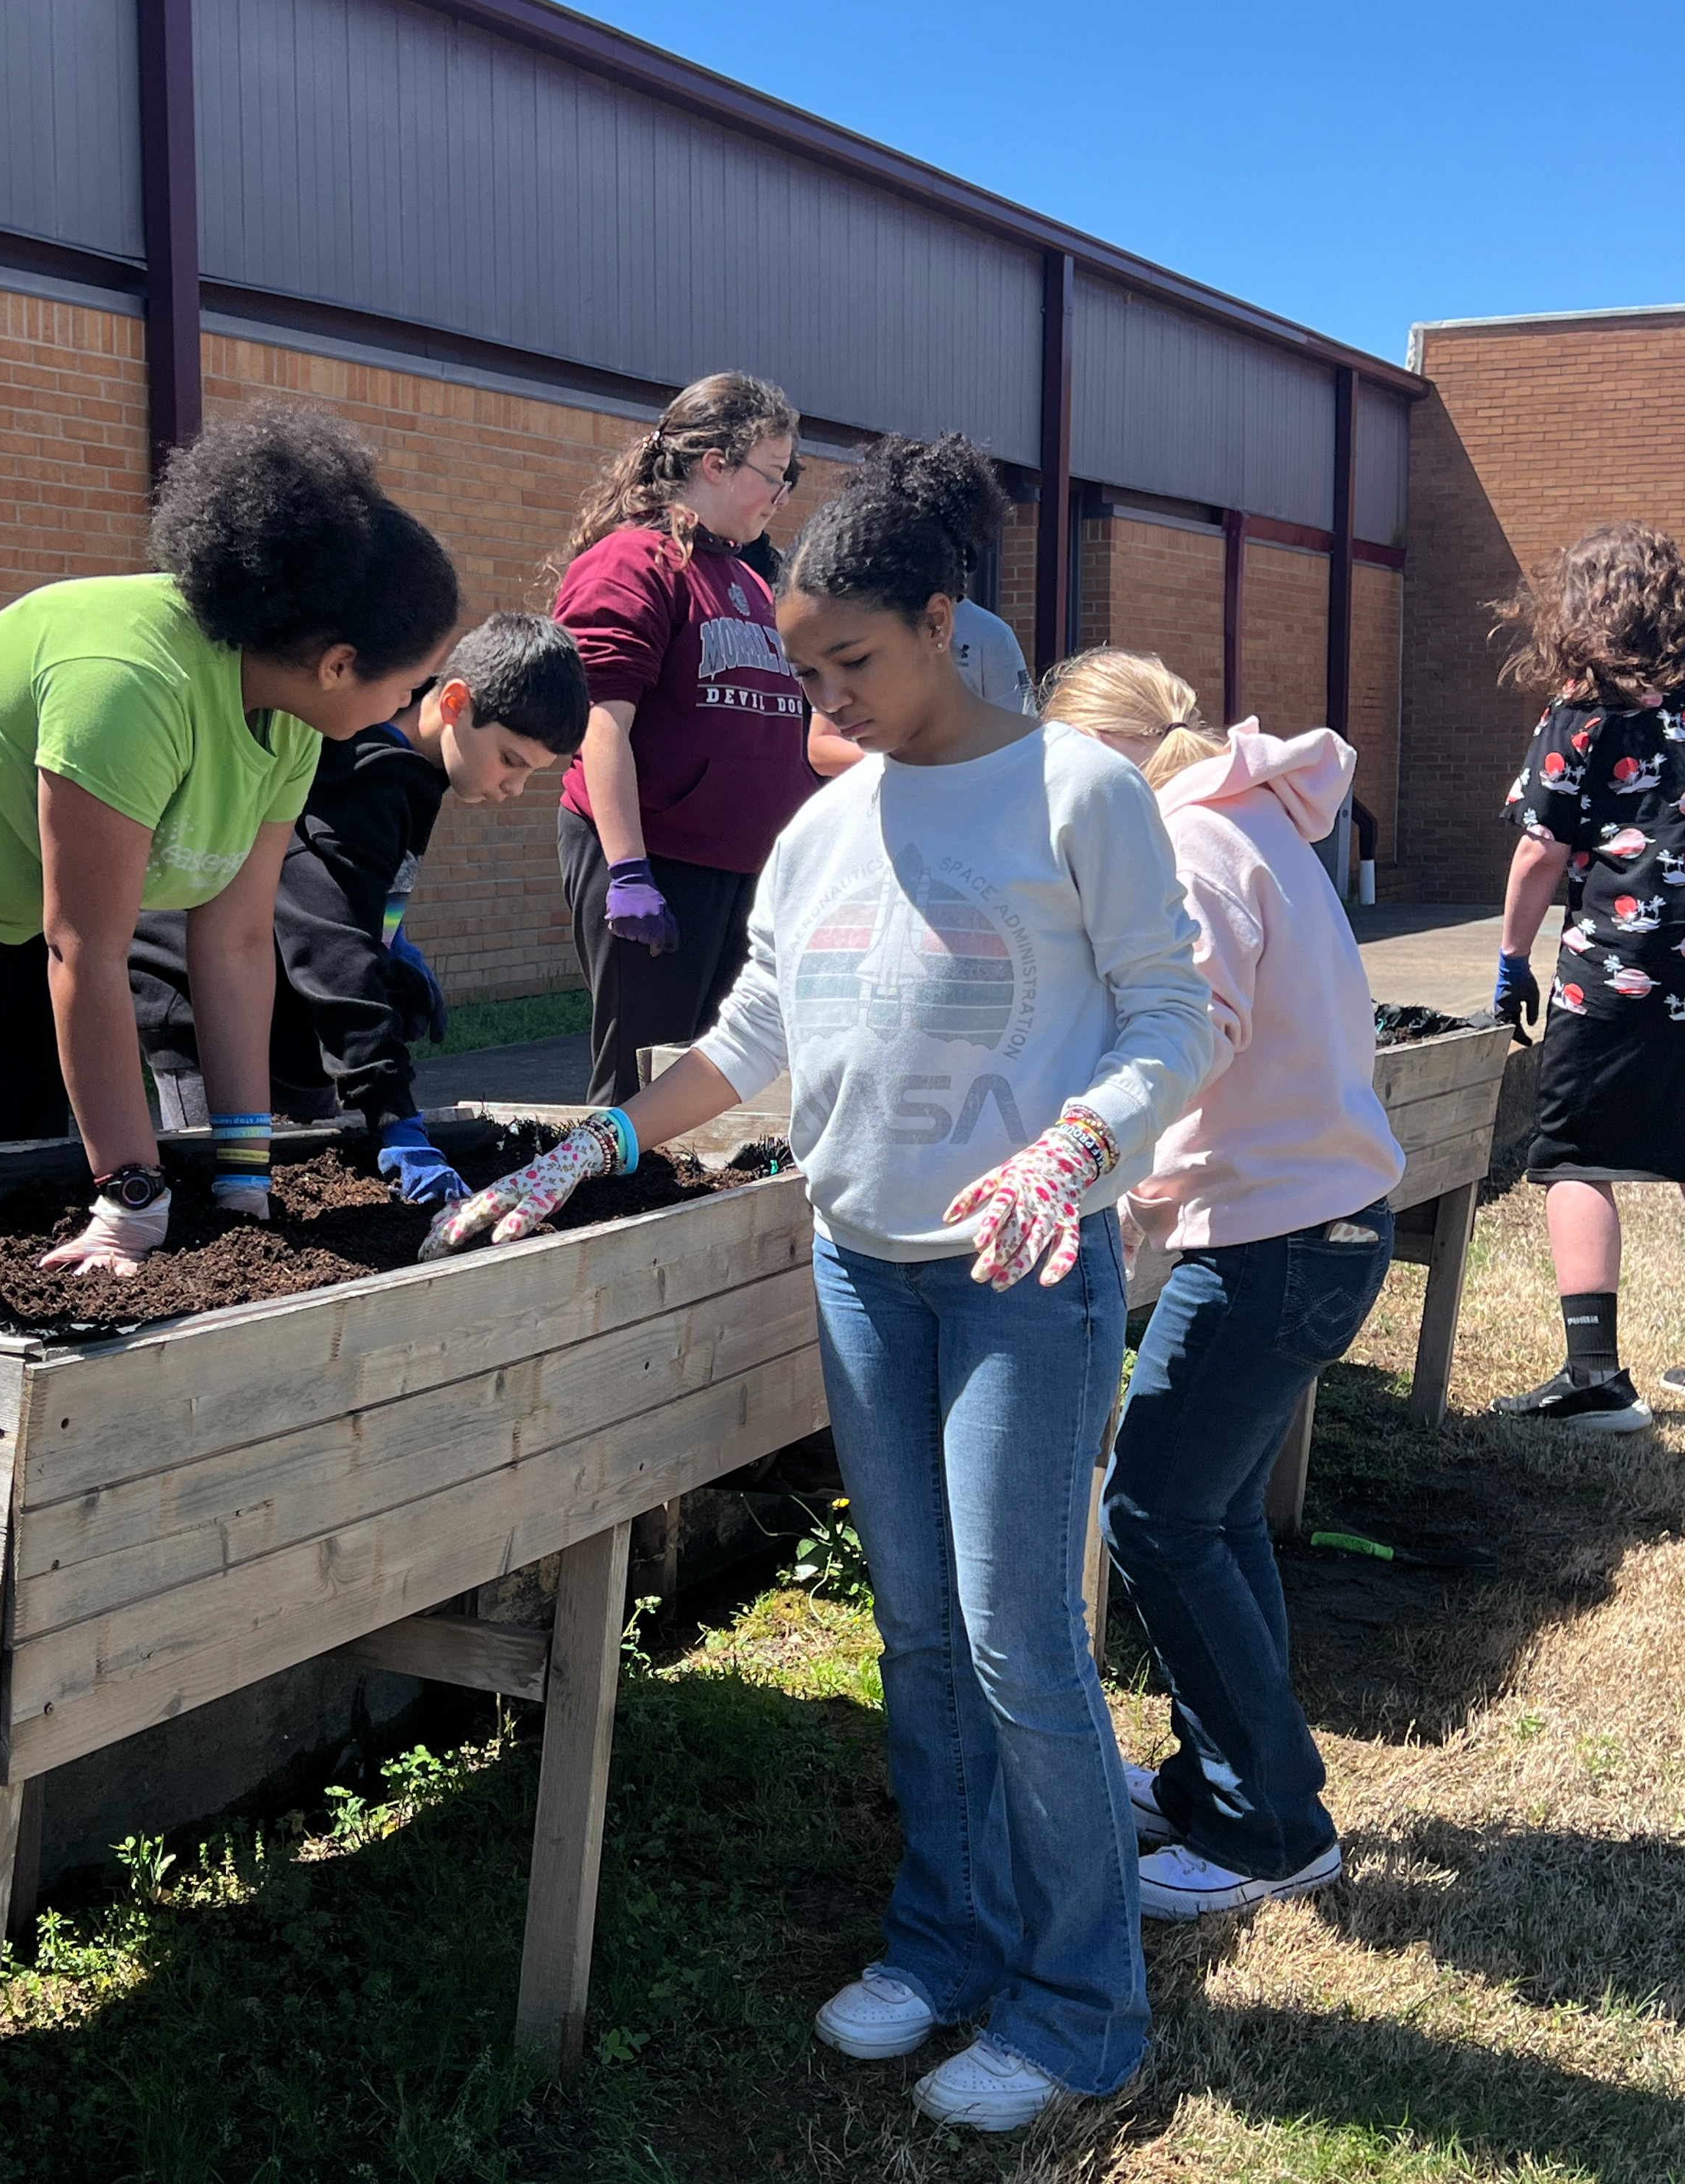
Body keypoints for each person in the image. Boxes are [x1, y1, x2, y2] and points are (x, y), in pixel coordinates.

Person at [431, 437, 1213, 2130]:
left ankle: (1083, 2010)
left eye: (851, 661)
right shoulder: (823, 827)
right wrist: (590, 1151)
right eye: (799, 667)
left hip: (1021, 1280)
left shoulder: (1078, 796)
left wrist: (1075, 1147)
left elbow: (1175, 1019)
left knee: (1022, 1647)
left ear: (942, 621)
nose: (822, 697)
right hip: (862, 1268)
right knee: (920, 1630)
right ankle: (946, 1942)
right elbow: (753, 1037)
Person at [0, 405, 458, 1275]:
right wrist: (135, 1191)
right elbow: (86, 951)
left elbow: (236, 941)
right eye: (413, 684)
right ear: (338, 663)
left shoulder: (297, 722)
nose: (412, 707)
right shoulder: (130, 684)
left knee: (12, 1162)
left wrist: (242, 1176)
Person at [1042, 647, 1403, 1919]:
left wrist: (1087, 1163)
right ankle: (1223, 1775)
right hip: (1311, 1225)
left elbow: (1182, 1041)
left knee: (1150, 1514)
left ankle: (1269, 1827)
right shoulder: (1241, 819)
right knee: (1212, 1513)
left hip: (1272, 1236)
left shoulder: (1185, 852)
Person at [130, 612, 591, 1207]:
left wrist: (392, 948)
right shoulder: (359, 778)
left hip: (288, 1015)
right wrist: (398, 1119)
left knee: (309, 1182)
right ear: (454, 702)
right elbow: (331, 950)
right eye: (510, 760)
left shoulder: (413, 774)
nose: (514, 788)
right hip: (202, 1007)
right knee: (225, 1203)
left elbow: (342, 914)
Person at [1490, 522, 1685, 1428]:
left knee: (1577, 1162)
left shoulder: (1583, 711)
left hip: (1617, 982)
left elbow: (1541, 859)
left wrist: (1511, 958)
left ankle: (1594, 1381)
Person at [552, 373, 819, 1105]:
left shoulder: (752, 576)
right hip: (661, 870)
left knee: (738, 1093)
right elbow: (600, 726)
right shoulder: (632, 564)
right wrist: (629, 870)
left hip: (750, 878)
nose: (782, 494)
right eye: (776, 473)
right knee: (645, 1092)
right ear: (716, 464)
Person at [805, 448, 1030, 777]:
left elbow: (1019, 745)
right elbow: (820, 747)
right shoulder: (854, 627)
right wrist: (904, 760)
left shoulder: (990, 636)